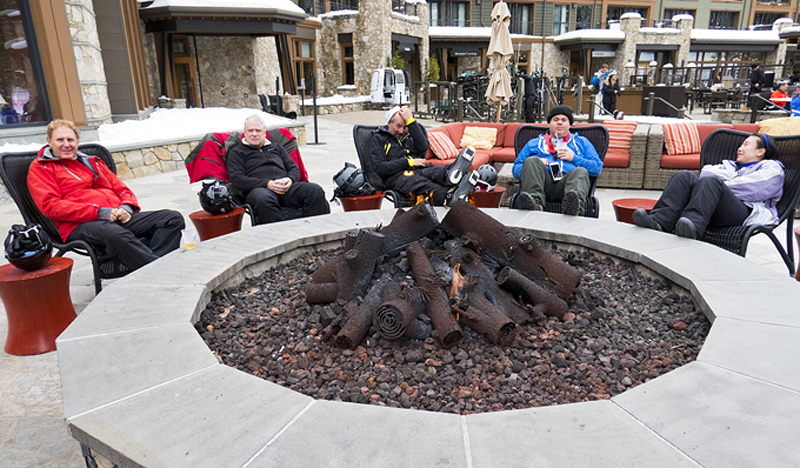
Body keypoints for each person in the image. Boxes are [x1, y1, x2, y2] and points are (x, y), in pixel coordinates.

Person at [27, 119, 185, 271]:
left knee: (172, 219)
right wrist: (99, 212)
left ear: (77, 141)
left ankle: (151, 266)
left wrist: (126, 207)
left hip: (115, 216)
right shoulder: (42, 167)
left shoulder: (93, 162)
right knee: (115, 233)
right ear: (49, 142)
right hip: (78, 224)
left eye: (70, 139)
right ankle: (160, 271)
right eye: (60, 140)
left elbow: (123, 190)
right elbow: (51, 206)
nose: (66, 144)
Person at [632, 133, 784, 240]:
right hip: (712, 208)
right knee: (685, 176)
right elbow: (705, 172)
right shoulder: (730, 165)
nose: (739, 148)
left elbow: (756, 187)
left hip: (743, 212)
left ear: (760, 151)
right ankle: (658, 222)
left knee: (711, 183)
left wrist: (719, 187)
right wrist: (732, 180)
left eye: (746, 144)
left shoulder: (771, 167)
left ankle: (691, 229)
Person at [227, 114, 330, 224]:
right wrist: (267, 184)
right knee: (264, 200)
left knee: (314, 190)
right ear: (245, 133)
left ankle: (315, 230)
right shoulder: (237, 152)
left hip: (286, 187)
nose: (254, 134)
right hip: (259, 189)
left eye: (258, 130)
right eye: (250, 131)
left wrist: (290, 179)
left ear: (264, 132)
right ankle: (281, 237)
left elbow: (294, 168)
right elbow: (237, 179)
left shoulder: (276, 147)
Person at [368, 106, 478, 206]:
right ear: (389, 123)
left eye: (405, 127)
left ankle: (450, 175)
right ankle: (449, 196)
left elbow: (423, 146)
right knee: (420, 183)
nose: (401, 131)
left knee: (434, 171)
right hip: (396, 176)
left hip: (418, 168)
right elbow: (380, 167)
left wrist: (411, 121)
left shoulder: (408, 135)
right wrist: (409, 162)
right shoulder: (378, 139)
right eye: (398, 126)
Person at [511, 105, 604, 215]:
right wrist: (534, 166)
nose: (559, 122)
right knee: (532, 161)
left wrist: (575, 158)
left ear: (570, 124)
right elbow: (515, 170)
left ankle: (574, 208)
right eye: (555, 120)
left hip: (569, 185)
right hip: (541, 184)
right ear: (549, 123)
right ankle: (535, 204)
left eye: (564, 120)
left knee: (581, 171)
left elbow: (597, 167)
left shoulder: (582, 142)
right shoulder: (534, 143)